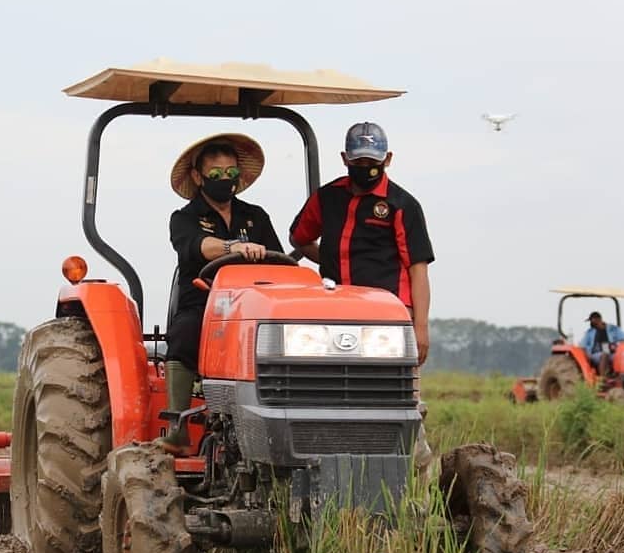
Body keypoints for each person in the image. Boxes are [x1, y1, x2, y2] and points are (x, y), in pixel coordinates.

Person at [289, 121, 435, 474]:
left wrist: (420, 327)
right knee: (336, 393)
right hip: (337, 310)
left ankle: (417, 474)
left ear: (388, 160)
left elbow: (418, 270)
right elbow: (300, 238)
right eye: (358, 163)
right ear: (345, 159)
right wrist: (328, 260)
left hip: (390, 316)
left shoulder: (402, 205)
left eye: (374, 162)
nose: (366, 170)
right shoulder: (328, 198)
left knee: (399, 400)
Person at [161, 134, 284, 447]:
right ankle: (178, 429)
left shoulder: (256, 217)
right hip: (204, 305)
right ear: (198, 176)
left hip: (251, 307)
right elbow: (198, 247)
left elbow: (280, 263)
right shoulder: (184, 218)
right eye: (216, 174)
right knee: (185, 331)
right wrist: (234, 247)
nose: (224, 180)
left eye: (230, 173)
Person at [580, 311, 624, 377]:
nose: (591, 323)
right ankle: (603, 378)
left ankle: (621, 377)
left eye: (592, 320)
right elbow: (583, 346)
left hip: (612, 352)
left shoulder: (613, 329)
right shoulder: (589, 332)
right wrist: (587, 356)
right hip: (596, 354)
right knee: (605, 353)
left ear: (598, 319)